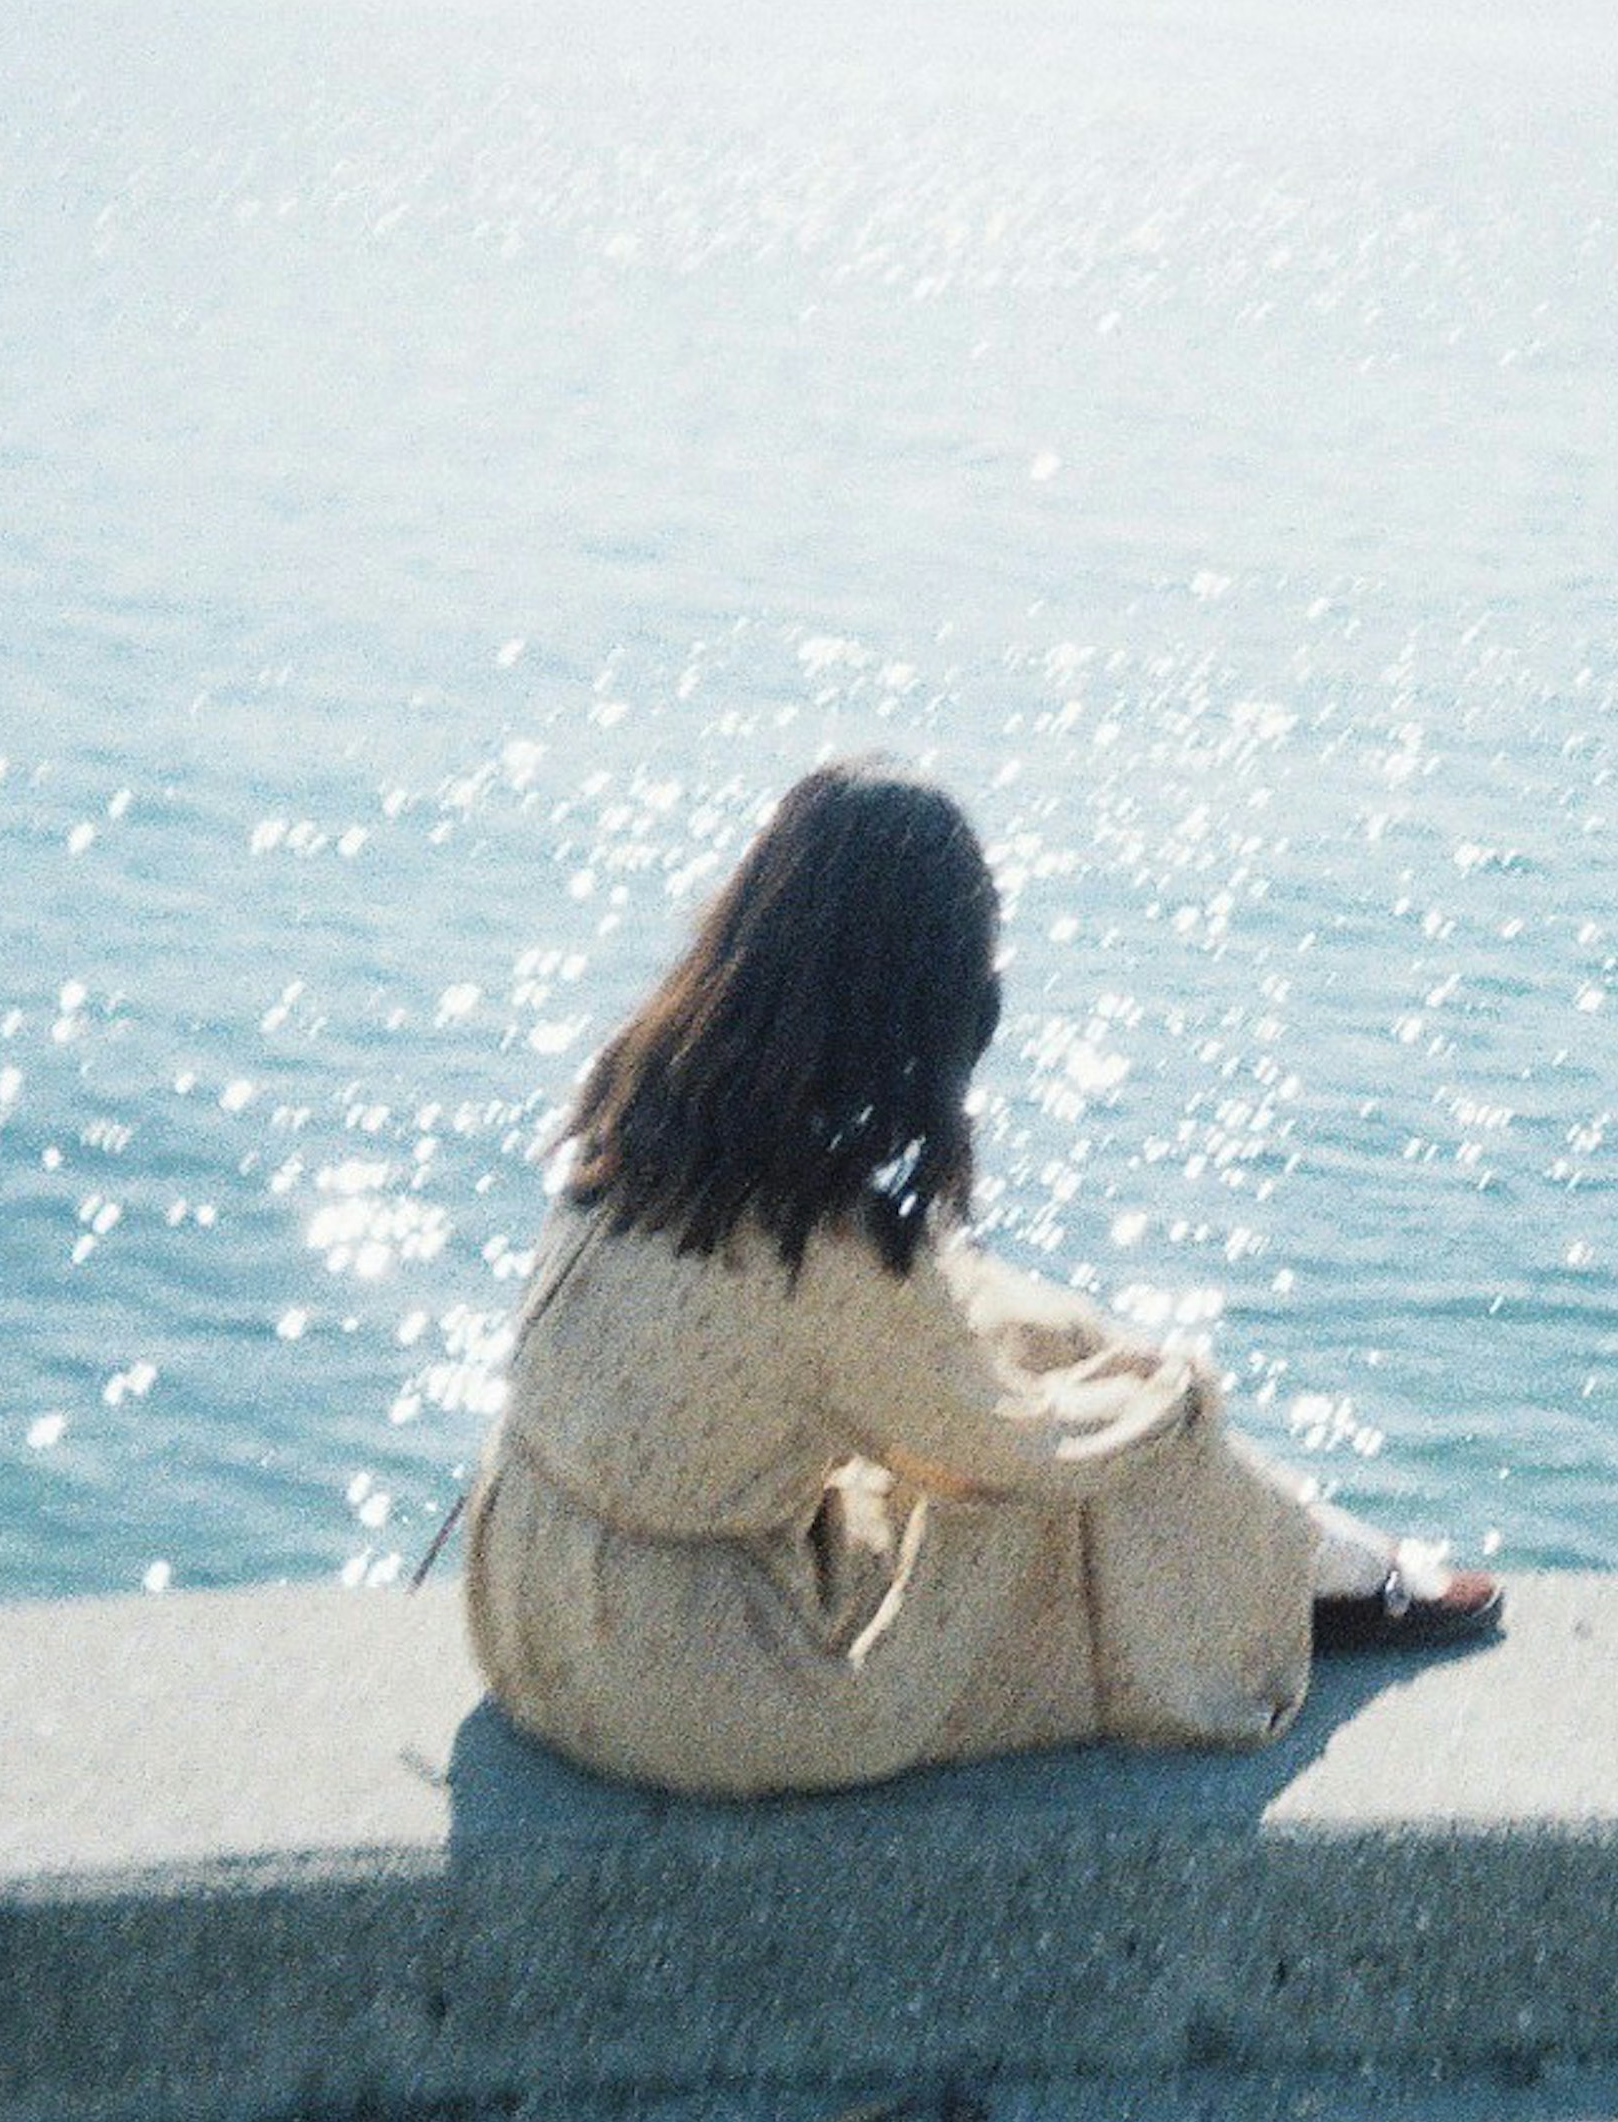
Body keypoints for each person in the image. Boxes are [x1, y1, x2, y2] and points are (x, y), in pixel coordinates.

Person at [457, 760, 1498, 1799]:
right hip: (686, 1681)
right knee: (1100, 1479)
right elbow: (1016, 1451)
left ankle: (1316, 1549)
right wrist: (1177, 1393)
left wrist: (1082, 1351)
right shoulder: (823, 1240)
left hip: (523, 1605)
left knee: (1031, 1336)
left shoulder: (652, 1100)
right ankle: (1318, 1571)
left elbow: (934, 1327)